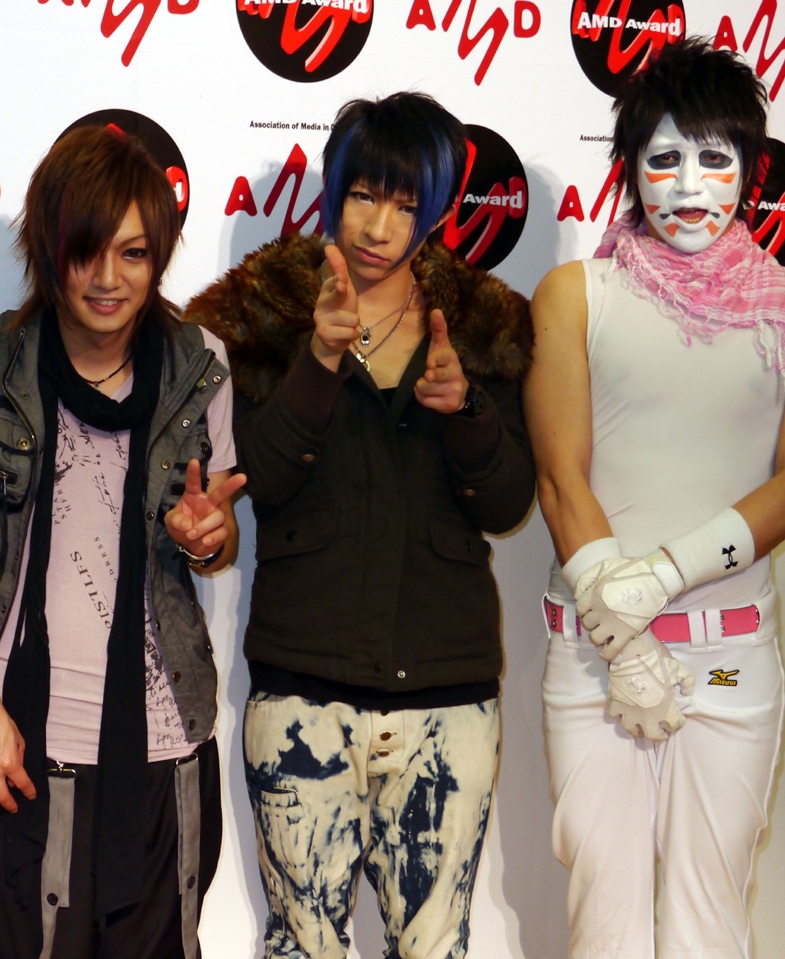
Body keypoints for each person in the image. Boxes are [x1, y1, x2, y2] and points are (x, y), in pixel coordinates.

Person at [185, 92, 535, 959]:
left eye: (406, 204)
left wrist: (468, 411)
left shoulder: (484, 323)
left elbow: (507, 505)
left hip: (447, 694)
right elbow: (259, 480)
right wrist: (319, 359)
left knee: (435, 946)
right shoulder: (260, 317)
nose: (379, 227)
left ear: (436, 208)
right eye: (363, 196)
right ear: (333, 192)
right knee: (302, 945)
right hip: (303, 688)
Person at [524, 38, 785, 959]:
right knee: (605, 924)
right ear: (631, 170)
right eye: (663, 158)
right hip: (592, 655)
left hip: (731, 658)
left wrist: (661, 578)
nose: (689, 184)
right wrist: (623, 636)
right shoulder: (574, 294)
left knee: (711, 922)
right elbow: (561, 476)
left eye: (714, 157)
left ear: (750, 168)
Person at [0, 125, 244, 959]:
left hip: (165, 743)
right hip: (20, 741)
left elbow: (218, 539)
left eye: (133, 254)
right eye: (86, 251)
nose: (107, 278)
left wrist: (209, 539)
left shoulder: (200, 363)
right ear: (47, 247)